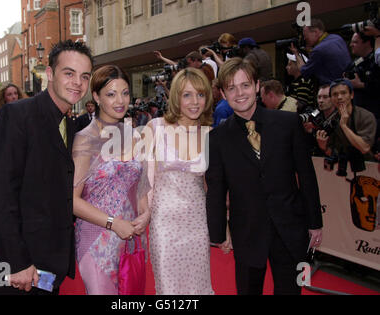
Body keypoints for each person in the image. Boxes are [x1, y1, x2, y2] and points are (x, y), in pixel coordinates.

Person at [0, 40, 93, 295]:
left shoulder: (69, 125)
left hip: (47, 264)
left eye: (84, 76)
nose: (77, 83)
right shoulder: (16, 116)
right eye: (68, 73)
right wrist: (18, 261)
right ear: (49, 74)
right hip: (14, 264)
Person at [206, 57, 323, 295]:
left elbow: (307, 175)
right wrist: (219, 232)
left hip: (290, 229)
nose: (240, 93)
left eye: (245, 85)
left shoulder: (288, 123)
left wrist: (314, 223)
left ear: (257, 86)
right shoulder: (217, 138)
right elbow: (217, 190)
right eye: (231, 88)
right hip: (246, 232)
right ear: (223, 93)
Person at [72, 65, 150, 295]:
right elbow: (72, 200)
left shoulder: (134, 135)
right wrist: (113, 223)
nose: (120, 100)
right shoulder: (85, 139)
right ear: (96, 97)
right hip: (97, 238)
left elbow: (141, 188)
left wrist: (146, 214)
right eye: (111, 94)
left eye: (125, 93)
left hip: (131, 237)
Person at [147, 68, 214, 295]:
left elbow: (209, 185)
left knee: (199, 287)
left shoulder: (209, 134)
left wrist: (224, 226)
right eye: (187, 95)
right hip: (164, 223)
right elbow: (144, 181)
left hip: (197, 224)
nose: (195, 102)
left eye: (201, 94)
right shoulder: (155, 128)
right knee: (168, 290)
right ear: (176, 97)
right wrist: (142, 214)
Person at [316, 79, 377, 162]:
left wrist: (344, 126)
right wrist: (323, 146)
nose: (339, 97)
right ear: (331, 98)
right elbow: (332, 152)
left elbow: (364, 148)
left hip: (367, 166)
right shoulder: (331, 120)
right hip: (343, 167)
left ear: (351, 95)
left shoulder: (366, 116)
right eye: (335, 94)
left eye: (343, 93)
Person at [291, 19, 351, 85]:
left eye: (306, 36)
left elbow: (304, 71)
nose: (305, 39)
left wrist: (296, 53)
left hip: (333, 88)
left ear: (315, 32)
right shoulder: (337, 38)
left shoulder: (318, 50)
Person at [346, 32, 380, 129]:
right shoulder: (355, 63)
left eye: (355, 42)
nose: (351, 45)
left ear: (367, 43)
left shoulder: (376, 62)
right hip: (358, 113)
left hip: (375, 113)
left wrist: (361, 85)